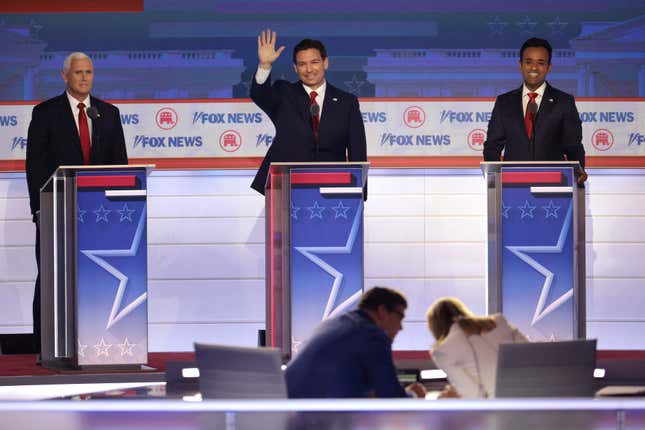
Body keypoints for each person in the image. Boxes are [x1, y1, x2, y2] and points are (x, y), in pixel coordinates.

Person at [26, 52, 128, 357]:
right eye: (79, 72)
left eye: (89, 72)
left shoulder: (108, 114)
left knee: (96, 279)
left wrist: (119, 209)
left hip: (98, 214)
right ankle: (45, 348)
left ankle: (98, 343)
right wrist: (39, 209)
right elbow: (35, 165)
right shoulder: (45, 113)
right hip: (57, 211)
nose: (85, 78)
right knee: (51, 279)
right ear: (65, 76)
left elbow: (120, 165)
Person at [249, 30, 367, 194]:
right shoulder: (284, 93)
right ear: (295, 68)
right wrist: (265, 65)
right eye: (302, 64)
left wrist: (360, 194)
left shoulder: (347, 102)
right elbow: (259, 95)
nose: (309, 69)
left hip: (332, 187)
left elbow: (357, 151)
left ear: (325, 63)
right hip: (287, 185)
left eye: (314, 62)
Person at [285, 287, 426, 398]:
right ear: (382, 311)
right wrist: (414, 395)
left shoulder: (334, 324)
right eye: (400, 317)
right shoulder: (372, 335)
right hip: (315, 420)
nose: (401, 327)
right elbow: (392, 398)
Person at [483, 37, 587, 184]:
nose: (534, 68)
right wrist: (494, 176)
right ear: (520, 65)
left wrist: (579, 170)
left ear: (549, 67)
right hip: (513, 185)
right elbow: (492, 146)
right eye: (528, 62)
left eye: (540, 63)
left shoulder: (564, 102)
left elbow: (573, 145)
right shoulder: (504, 103)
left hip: (554, 185)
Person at [426, 297, 528, 399]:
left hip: (500, 408)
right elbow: (531, 354)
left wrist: (452, 397)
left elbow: (474, 395)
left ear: (435, 327)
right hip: (533, 396)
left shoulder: (443, 351)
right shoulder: (499, 321)